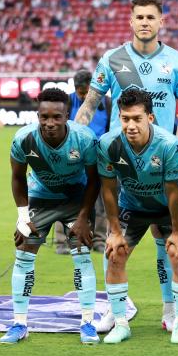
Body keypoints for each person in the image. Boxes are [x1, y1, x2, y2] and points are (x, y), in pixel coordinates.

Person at [74, 0, 178, 334]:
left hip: (163, 162)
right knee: (116, 240)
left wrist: (175, 145)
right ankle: (115, 312)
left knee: (168, 240)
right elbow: (90, 105)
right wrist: (76, 136)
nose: (144, 22)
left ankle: (171, 310)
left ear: (161, 22)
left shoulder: (176, 61)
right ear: (131, 21)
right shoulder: (112, 59)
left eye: (150, 17)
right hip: (122, 165)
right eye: (139, 17)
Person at [1, 88, 100, 344]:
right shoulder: (24, 138)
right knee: (24, 252)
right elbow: (16, 177)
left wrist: (83, 217)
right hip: (41, 200)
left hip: (74, 200)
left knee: (81, 253)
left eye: (56, 117)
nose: (50, 123)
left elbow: (94, 180)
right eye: (44, 117)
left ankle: (87, 322)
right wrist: (23, 216)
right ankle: (19, 324)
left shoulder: (84, 139)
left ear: (67, 114)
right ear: (38, 115)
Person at [97, 88, 178, 344]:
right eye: (125, 118)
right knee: (115, 253)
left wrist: (176, 231)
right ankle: (120, 323)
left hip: (168, 208)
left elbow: (173, 192)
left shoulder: (169, 145)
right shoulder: (108, 144)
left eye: (137, 118)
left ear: (149, 118)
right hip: (132, 206)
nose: (130, 125)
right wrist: (115, 231)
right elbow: (107, 190)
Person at [53, 69, 111, 255]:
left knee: (102, 202)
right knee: (66, 200)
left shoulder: (108, 104)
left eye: (87, 92)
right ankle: (62, 241)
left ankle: (99, 241)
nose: (85, 96)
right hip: (72, 159)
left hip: (100, 159)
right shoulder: (66, 103)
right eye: (81, 93)